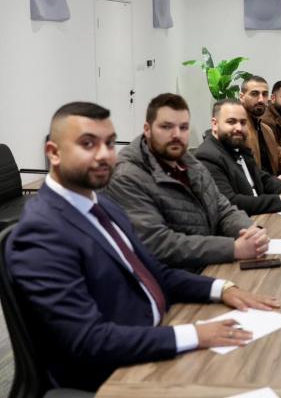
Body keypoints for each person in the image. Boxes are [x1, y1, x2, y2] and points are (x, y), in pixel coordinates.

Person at [8, 102, 281, 391]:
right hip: (113, 376)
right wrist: (194, 335)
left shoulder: (101, 204)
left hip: (154, 335)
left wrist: (222, 289)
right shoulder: (41, 232)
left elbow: (152, 271)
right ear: (53, 153)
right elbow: (90, 341)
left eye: (109, 143)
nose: (104, 155)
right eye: (88, 144)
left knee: (266, 362)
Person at [104, 94, 269, 271]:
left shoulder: (189, 162)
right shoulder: (127, 176)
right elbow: (158, 243)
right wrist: (232, 248)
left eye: (183, 127)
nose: (176, 135)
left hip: (209, 265)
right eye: (166, 127)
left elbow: (222, 208)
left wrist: (250, 231)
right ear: (147, 129)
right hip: (174, 278)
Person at [195, 99, 281, 216]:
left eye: (243, 122)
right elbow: (229, 201)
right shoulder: (207, 156)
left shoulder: (237, 146)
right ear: (214, 124)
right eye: (231, 122)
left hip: (261, 217)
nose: (239, 128)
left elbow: (262, 178)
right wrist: (280, 201)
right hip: (243, 222)